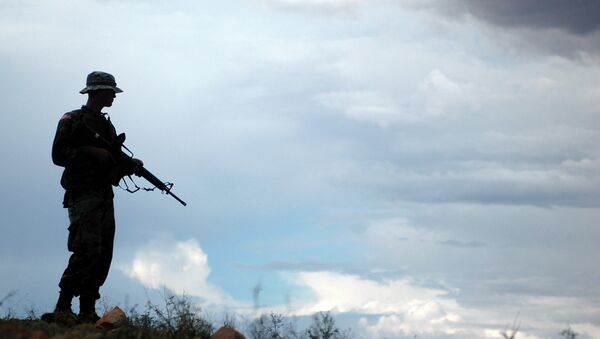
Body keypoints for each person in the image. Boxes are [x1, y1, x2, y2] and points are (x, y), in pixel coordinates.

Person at [43, 71, 142, 324]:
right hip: (82, 193)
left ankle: (88, 309)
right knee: (86, 248)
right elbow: (59, 155)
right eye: (110, 92)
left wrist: (130, 165)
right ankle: (63, 307)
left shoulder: (107, 126)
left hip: (103, 194)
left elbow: (114, 159)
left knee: (103, 252)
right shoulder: (72, 120)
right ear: (97, 92)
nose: (114, 97)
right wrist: (91, 153)